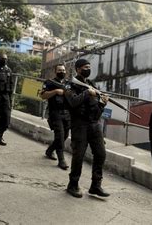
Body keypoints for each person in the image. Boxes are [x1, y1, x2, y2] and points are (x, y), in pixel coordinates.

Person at [64, 58, 109, 198]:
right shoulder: (69, 85)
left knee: (101, 154)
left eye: (89, 66)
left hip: (94, 125)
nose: (87, 69)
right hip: (79, 125)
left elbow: (96, 111)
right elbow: (73, 102)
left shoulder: (91, 85)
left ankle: (96, 186)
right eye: (85, 67)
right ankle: (73, 184)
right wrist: (86, 93)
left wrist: (102, 103)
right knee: (79, 156)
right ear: (78, 69)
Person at [40, 63, 71, 170]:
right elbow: (43, 95)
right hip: (55, 113)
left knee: (65, 136)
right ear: (55, 71)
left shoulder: (68, 83)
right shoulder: (49, 82)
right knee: (60, 136)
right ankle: (61, 160)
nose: (62, 72)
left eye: (63, 70)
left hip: (67, 113)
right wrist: (55, 91)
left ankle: (50, 150)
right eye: (59, 70)